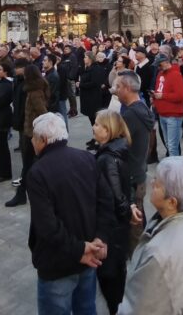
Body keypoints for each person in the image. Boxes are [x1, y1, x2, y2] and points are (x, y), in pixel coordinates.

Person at [26, 112, 113, 315]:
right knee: (86, 308)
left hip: (59, 263)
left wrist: (80, 249)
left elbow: (47, 226)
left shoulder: (38, 172)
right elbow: (106, 202)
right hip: (89, 255)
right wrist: (100, 238)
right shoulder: (87, 158)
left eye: (33, 137)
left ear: (44, 140)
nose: (31, 141)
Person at [119, 156, 183, 315]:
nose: (152, 183)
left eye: (157, 184)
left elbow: (139, 309)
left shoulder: (159, 256)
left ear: (172, 202)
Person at [92, 109, 133, 314]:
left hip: (112, 229)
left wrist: (126, 212)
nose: (93, 127)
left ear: (107, 130)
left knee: (111, 278)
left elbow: (116, 198)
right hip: (119, 228)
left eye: (97, 124)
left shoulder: (107, 159)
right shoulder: (119, 149)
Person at [112, 70, 154, 254]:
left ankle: (137, 260)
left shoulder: (131, 115)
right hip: (139, 172)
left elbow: (119, 147)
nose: (115, 90)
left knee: (133, 222)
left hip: (131, 176)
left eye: (118, 87)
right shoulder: (141, 107)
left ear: (128, 88)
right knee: (138, 215)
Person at [6, 64, 49, 207]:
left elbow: (43, 113)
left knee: (28, 165)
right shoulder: (36, 88)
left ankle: (22, 194)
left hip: (32, 133)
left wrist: (35, 129)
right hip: (31, 131)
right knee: (30, 165)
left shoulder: (34, 92)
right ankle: (24, 193)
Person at [152, 52, 183, 157]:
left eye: (160, 65)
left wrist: (161, 96)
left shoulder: (176, 74)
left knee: (172, 146)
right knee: (168, 144)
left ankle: (176, 171)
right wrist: (154, 96)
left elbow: (180, 96)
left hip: (173, 115)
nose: (158, 67)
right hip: (162, 113)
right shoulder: (160, 73)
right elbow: (159, 89)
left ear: (166, 62)